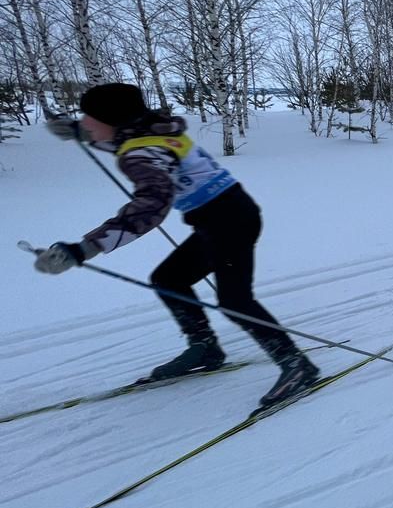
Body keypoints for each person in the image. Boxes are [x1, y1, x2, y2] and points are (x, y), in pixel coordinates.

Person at [33, 83, 320, 408]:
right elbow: (136, 146)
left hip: (229, 222)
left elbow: (151, 205)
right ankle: (204, 348)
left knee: (235, 299)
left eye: (90, 117)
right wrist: (83, 134)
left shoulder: (142, 152)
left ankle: (296, 365)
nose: (84, 121)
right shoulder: (154, 130)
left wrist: (85, 248)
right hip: (225, 216)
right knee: (169, 279)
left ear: (113, 120)